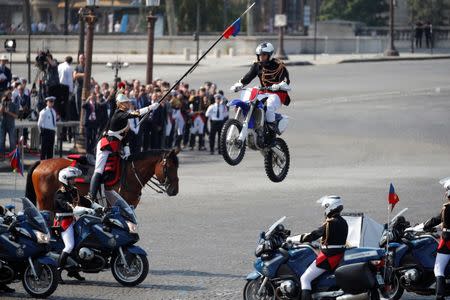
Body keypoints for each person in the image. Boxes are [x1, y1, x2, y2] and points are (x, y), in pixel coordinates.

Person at [86, 93, 159, 201]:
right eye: (126, 102)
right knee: (99, 170)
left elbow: (125, 138)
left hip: (115, 147)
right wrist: (149, 108)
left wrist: (128, 153)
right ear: (120, 105)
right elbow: (136, 114)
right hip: (105, 146)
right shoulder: (119, 114)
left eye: (128, 102)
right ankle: (91, 196)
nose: (129, 103)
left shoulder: (125, 119)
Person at [288, 195, 348, 300]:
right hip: (338, 255)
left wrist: (292, 239)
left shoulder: (330, 223)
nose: (325, 210)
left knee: (305, 278)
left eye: (325, 207)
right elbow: (332, 239)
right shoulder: (343, 222)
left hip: (328, 257)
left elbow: (313, 235)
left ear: (330, 206)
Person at [230, 42, 291, 145]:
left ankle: (271, 135)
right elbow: (248, 77)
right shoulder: (257, 66)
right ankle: (250, 125)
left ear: (270, 55)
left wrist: (280, 85)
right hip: (263, 91)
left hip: (277, 93)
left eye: (264, 55)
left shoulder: (279, 66)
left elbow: (286, 80)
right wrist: (239, 84)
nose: (261, 57)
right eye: (259, 55)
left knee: (269, 107)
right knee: (249, 101)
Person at [54, 167, 86, 283]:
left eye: (74, 178)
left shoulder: (73, 190)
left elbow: (83, 200)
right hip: (64, 222)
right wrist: (79, 209)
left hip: (73, 220)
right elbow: (67, 206)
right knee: (69, 246)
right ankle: (57, 273)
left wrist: (99, 207)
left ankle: (73, 270)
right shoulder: (60, 194)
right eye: (72, 179)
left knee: (80, 244)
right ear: (65, 180)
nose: (74, 181)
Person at [423, 178, 450, 300]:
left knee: (438, 269)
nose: (445, 193)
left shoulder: (447, 207)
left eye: (446, 190)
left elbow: (437, 219)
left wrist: (425, 225)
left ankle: (440, 296)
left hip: (447, 241)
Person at [0, 91, 18, 159]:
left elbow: (16, 116)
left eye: (10, 96)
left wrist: (9, 112)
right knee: (1, 141)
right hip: (3, 124)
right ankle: (1, 156)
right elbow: (0, 114)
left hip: (11, 125)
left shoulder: (14, 105)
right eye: (7, 96)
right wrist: (3, 105)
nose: (9, 98)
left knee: (12, 141)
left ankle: (12, 156)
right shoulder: (2, 104)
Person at [73, 54, 85, 119]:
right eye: (81, 58)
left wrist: (79, 74)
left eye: (83, 58)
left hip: (85, 87)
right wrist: (83, 74)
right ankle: (79, 115)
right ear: (79, 59)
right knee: (78, 101)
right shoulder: (77, 67)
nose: (82, 60)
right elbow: (74, 76)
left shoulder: (86, 67)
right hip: (78, 86)